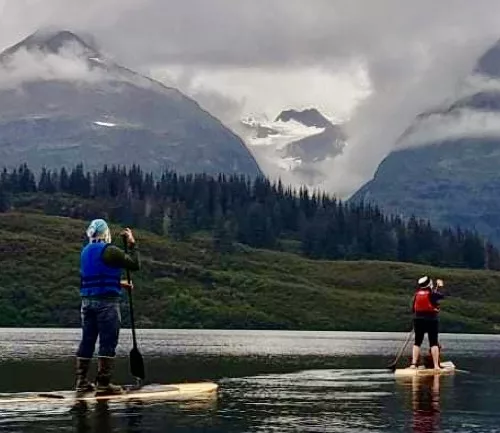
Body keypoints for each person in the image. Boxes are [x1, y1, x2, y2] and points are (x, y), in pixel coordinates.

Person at [74, 218, 140, 395]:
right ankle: (103, 384)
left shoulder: (85, 251)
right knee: (108, 341)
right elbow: (134, 264)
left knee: (87, 340)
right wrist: (132, 244)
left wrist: (119, 284)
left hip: (87, 302)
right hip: (106, 303)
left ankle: (81, 382)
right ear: (105, 233)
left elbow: (97, 276)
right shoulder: (109, 250)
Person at [409, 276, 445, 370]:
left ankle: (413, 364)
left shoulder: (416, 294)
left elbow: (413, 309)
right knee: (433, 342)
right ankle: (436, 366)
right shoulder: (432, 294)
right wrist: (439, 286)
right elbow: (442, 296)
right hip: (431, 320)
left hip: (418, 320)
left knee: (417, 342)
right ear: (429, 284)